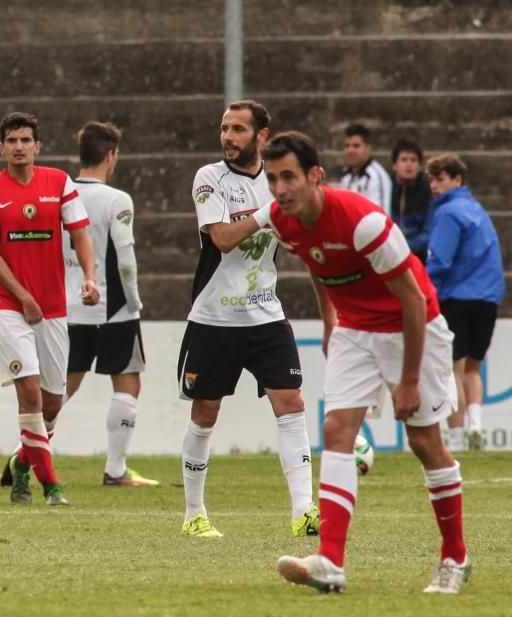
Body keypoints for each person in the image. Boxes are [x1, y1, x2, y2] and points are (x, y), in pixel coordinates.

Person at [262, 131, 470, 594]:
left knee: (422, 441)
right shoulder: (283, 219)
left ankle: (455, 556)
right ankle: (330, 563)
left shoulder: (363, 222)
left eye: (289, 177)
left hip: (412, 325)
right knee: (337, 430)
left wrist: (409, 381)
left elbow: (413, 300)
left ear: (316, 176)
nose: (280, 189)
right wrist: (330, 321)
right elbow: (318, 266)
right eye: (273, 179)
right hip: (355, 329)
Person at [177, 100, 317, 538]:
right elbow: (220, 238)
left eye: (238, 129)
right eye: (224, 128)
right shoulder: (210, 178)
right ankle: (194, 515)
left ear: (261, 136)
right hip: (215, 316)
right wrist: (268, 215)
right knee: (206, 411)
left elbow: (295, 238)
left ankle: (304, 512)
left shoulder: (278, 184)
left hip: (265, 314)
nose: (227, 137)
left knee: (291, 402)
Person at [0, 111, 100, 507]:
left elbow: (81, 234)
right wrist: (22, 296)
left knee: (51, 404)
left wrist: (90, 278)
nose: (19, 147)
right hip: (9, 307)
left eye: (25, 140)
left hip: (52, 309)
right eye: (11, 141)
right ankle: (51, 486)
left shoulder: (59, 182)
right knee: (28, 394)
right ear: (1, 148)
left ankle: (21, 464)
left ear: (37, 146)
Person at [63, 121, 158, 487]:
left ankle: (25, 454)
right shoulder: (116, 199)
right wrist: (133, 301)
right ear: (110, 155)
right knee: (127, 383)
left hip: (70, 306)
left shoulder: (61, 194)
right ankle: (116, 470)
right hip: (113, 306)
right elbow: (125, 258)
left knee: (63, 387)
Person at [426, 154, 505, 451]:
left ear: (457, 180)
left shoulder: (448, 212)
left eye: (440, 179)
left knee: (452, 370)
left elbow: (440, 261)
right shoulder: (477, 209)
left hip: (458, 296)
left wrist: (421, 289)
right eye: (432, 180)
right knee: (473, 367)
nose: (435, 185)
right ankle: (476, 425)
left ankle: (457, 439)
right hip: (488, 297)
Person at [389, 138, 434, 263]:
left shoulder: (429, 191)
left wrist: (405, 248)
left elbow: (429, 230)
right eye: (404, 160)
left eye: (413, 160)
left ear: (420, 166)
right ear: (394, 165)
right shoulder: (387, 187)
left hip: (419, 256)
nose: (409, 164)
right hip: (390, 254)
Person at [339, 123, 391, 209]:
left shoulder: (376, 176)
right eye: (347, 146)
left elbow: (379, 216)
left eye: (356, 146)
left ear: (368, 148)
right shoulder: (346, 175)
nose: (350, 150)